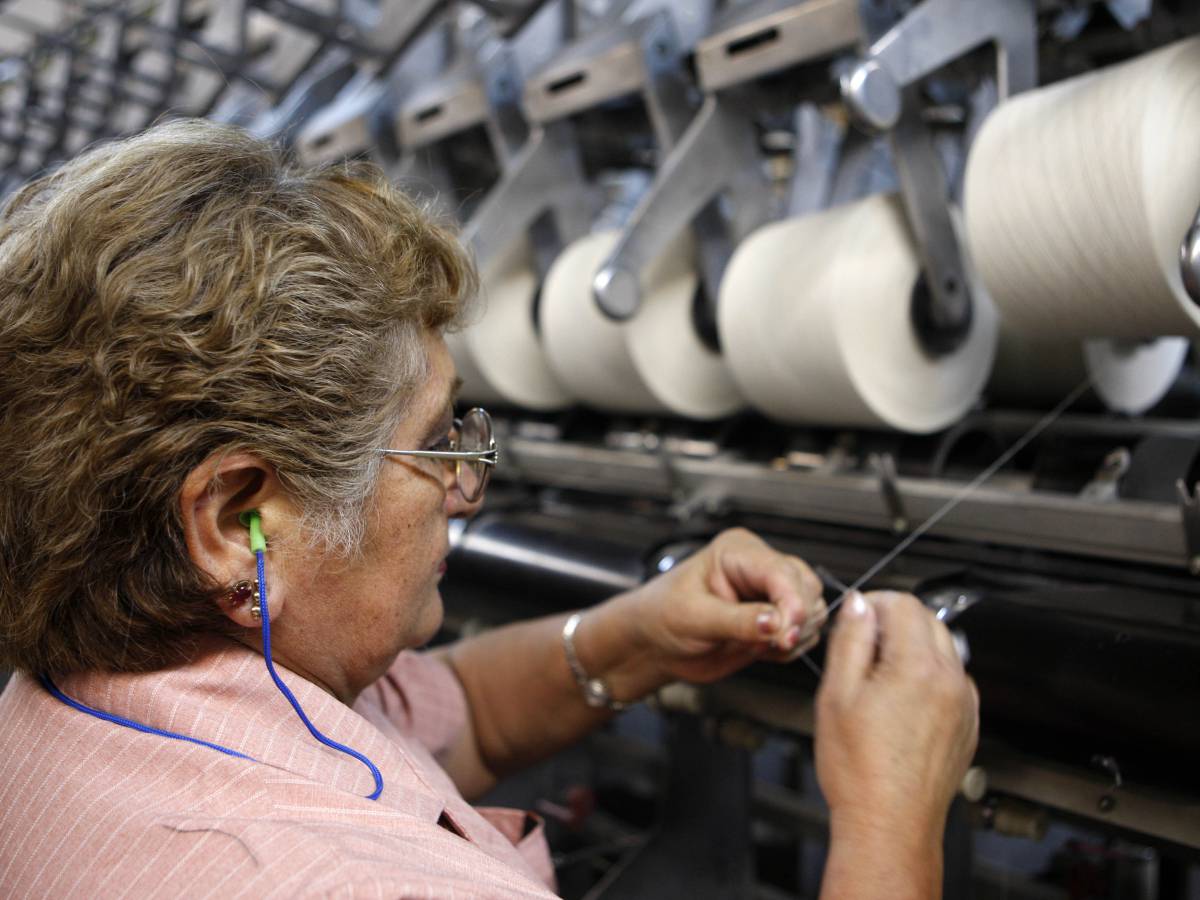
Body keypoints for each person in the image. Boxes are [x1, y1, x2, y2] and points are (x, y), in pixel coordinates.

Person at [0, 120, 977, 899]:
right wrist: (892, 822)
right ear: (232, 518)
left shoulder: (94, 698)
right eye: (434, 445)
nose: (466, 489)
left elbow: (447, 717)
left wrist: (635, 636)